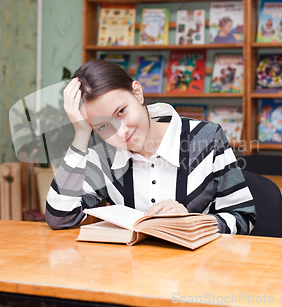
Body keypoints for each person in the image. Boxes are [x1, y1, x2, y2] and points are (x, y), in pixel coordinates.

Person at [45, 59, 256, 234]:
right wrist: (81, 134)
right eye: (103, 126)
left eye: (121, 112)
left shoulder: (207, 138)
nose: (121, 132)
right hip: (132, 275)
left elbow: (243, 217)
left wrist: (192, 222)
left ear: (137, 93)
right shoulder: (103, 155)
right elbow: (60, 217)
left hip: (199, 276)